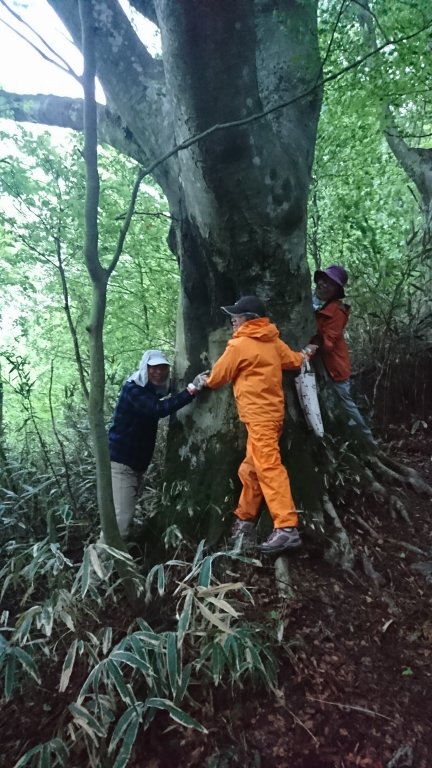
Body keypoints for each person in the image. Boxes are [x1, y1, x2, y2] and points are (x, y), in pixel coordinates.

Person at [201, 296, 316, 555]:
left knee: (268, 467)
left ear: (250, 319)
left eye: (237, 316)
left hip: (259, 418)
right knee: (251, 468)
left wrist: (201, 382)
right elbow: (294, 361)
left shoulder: (239, 345)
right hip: (272, 417)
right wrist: (307, 353)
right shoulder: (273, 341)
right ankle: (245, 520)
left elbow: (218, 377)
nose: (233, 320)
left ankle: (286, 527)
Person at [108, 349, 206, 538]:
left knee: (119, 518)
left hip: (134, 464)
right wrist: (192, 389)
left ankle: (106, 561)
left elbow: (166, 392)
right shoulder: (133, 389)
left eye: (163, 368)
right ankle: (99, 564)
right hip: (121, 464)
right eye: (153, 368)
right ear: (145, 368)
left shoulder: (149, 388)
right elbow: (157, 409)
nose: (159, 372)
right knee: (120, 523)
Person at [312, 265, 375, 443]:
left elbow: (329, 344)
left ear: (336, 291)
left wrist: (315, 339)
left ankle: (368, 441)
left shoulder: (337, 312)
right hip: (319, 366)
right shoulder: (311, 301)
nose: (324, 285)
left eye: (330, 285)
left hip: (334, 367)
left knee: (346, 404)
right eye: (323, 280)